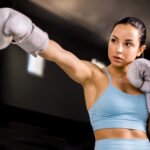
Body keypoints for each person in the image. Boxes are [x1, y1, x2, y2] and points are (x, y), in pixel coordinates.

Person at [0, 8, 150, 150]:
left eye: (128, 43)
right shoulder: (94, 75)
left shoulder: (145, 84)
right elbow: (60, 55)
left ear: (140, 50)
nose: (118, 49)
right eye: (114, 40)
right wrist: (28, 32)